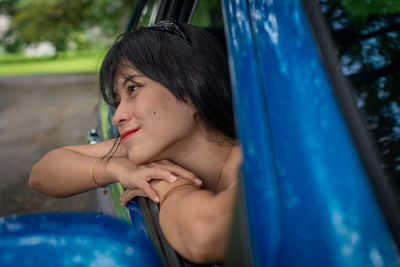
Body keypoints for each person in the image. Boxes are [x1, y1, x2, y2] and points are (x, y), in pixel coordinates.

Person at [29, 19, 242, 264]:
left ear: (194, 88)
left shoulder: (261, 165)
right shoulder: (146, 147)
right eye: (117, 99)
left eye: (133, 89)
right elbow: (41, 173)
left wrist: (168, 184)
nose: (118, 116)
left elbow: (205, 235)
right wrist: (121, 169)